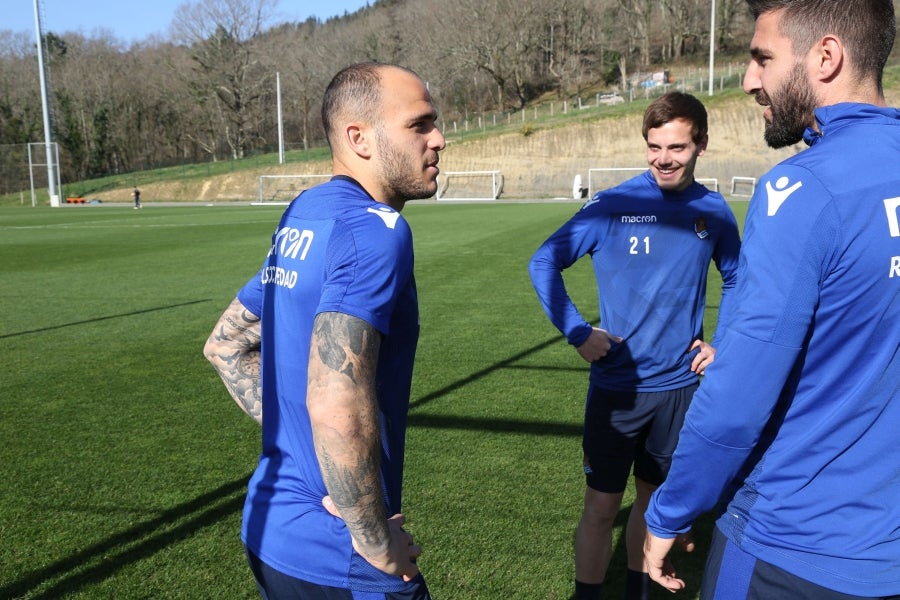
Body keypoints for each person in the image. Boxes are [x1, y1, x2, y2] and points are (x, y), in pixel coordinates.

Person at [644, 1, 900, 598]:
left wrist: (671, 511)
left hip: (794, 543)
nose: (749, 79)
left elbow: (738, 396)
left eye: (763, 58)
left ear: (826, 57)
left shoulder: (805, 186)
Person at [203, 61, 445, 600]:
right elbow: (336, 402)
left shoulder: (307, 214)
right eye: (420, 125)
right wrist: (377, 542)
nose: (440, 139)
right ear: (359, 138)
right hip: (340, 557)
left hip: (270, 535)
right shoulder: (377, 233)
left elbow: (225, 346)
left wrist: (310, 452)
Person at [528, 91, 741, 600]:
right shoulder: (614, 205)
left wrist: (723, 344)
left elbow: (736, 278)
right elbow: (544, 262)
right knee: (601, 507)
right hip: (618, 390)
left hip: (678, 390)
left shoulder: (713, 211)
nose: (664, 158)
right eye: (654, 146)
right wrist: (579, 332)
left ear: (701, 146)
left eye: (677, 147)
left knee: (652, 504)